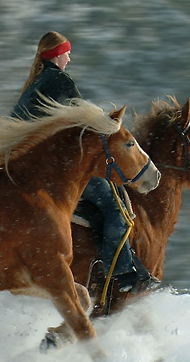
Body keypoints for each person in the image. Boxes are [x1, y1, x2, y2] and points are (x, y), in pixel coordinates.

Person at [11, 31, 159, 294]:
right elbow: (86, 121)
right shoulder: (60, 81)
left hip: (29, 167)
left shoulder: (34, 83)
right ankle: (124, 273)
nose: (70, 57)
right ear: (57, 54)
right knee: (115, 207)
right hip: (54, 171)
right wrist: (109, 123)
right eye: (67, 52)